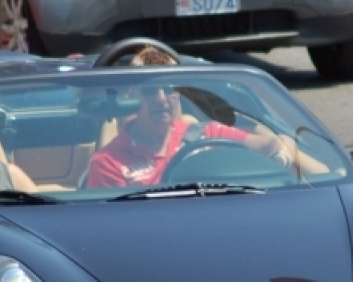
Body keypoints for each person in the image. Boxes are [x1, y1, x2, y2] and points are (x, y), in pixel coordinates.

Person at [84, 47, 295, 188]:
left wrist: (278, 166)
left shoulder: (208, 133)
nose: (161, 99)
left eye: (169, 89)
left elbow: (272, 145)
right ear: (132, 96)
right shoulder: (107, 163)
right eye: (150, 91)